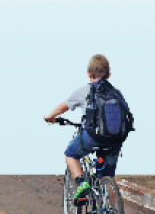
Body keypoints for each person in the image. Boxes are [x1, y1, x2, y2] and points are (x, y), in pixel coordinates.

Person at [44, 54, 123, 202]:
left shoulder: (84, 90)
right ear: (109, 74)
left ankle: (81, 182)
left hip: (92, 137)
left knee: (70, 155)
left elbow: (63, 107)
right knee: (107, 177)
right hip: (115, 139)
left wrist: (50, 117)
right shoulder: (116, 93)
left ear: (89, 74)